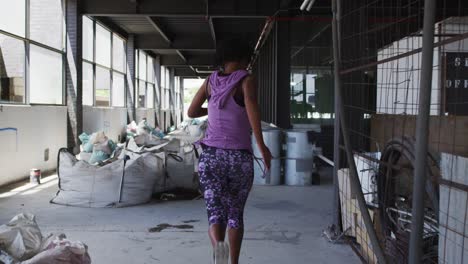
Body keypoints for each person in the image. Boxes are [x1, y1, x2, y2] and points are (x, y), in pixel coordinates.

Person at [187, 37, 272, 264]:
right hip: (239, 158)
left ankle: (218, 246)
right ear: (244, 58)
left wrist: (214, 106)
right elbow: (252, 109)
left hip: (210, 157)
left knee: (215, 212)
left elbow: (191, 112)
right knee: (235, 213)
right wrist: (262, 147)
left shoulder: (210, 82)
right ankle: (232, 262)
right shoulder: (246, 80)